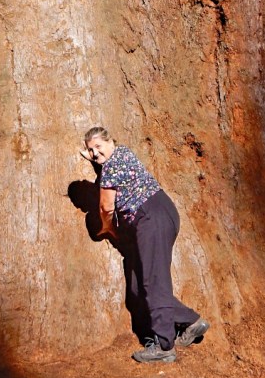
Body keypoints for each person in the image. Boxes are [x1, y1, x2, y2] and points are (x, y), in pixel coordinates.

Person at [81, 125, 210, 364]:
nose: (95, 153)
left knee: (153, 281)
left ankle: (164, 346)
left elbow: (106, 207)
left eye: (98, 146)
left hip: (150, 218)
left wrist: (107, 227)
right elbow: (108, 165)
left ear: (111, 142)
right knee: (138, 283)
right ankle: (191, 322)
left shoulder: (110, 167)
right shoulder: (124, 154)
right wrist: (95, 158)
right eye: (91, 150)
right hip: (163, 212)